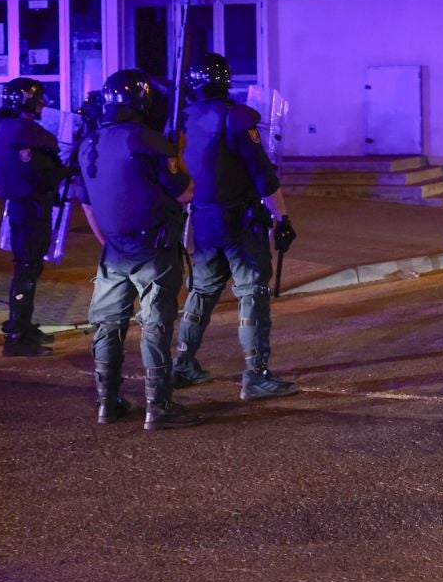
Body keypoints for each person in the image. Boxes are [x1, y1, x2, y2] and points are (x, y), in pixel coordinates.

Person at [171, 53, 301, 402]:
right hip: (239, 221)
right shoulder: (236, 117)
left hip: (202, 219)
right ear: (224, 81)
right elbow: (262, 174)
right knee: (252, 291)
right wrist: (282, 218)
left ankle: (182, 362)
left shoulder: (183, 119)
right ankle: (256, 374)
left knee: (202, 291)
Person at [78, 70, 197, 430]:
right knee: (155, 325)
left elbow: (86, 204)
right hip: (153, 248)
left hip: (113, 251)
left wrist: (110, 242)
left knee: (107, 326)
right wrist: (179, 153)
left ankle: (106, 402)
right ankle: (157, 405)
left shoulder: (89, 142)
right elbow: (186, 193)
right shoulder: (146, 140)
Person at [0, 78, 63, 358]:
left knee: (28, 267)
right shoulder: (23, 130)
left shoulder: (8, 127)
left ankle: (22, 325)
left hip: (25, 206)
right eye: (38, 98)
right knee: (27, 269)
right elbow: (49, 152)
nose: (43, 103)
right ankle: (18, 336)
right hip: (30, 207)